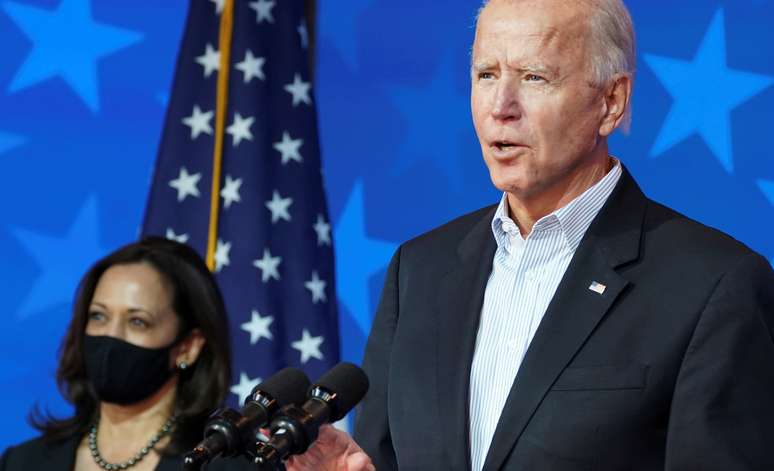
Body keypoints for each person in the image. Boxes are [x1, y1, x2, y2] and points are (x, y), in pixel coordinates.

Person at [286, 0, 774, 469]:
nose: (501, 106)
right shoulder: (419, 270)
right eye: (486, 75)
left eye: (534, 77)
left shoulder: (714, 285)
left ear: (611, 100)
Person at [0, 237, 254, 471]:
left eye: (137, 322)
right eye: (99, 316)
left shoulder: (223, 466)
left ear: (188, 347)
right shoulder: (22, 462)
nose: (111, 336)